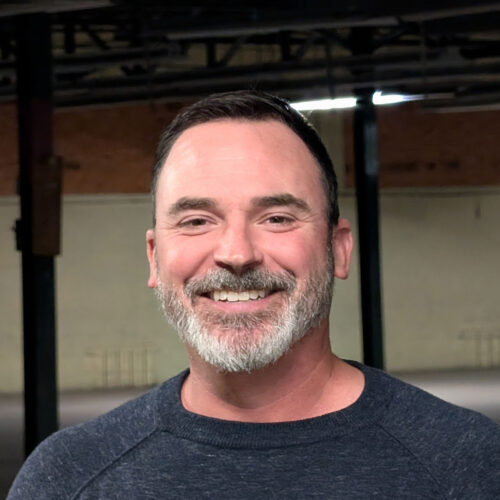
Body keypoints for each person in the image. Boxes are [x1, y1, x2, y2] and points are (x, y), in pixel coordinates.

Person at [8, 91, 499, 499]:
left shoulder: (468, 466)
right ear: (155, 258)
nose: (236, 254)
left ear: (338, 249)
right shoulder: (67, 478)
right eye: (196, 221)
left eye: (277, 218)